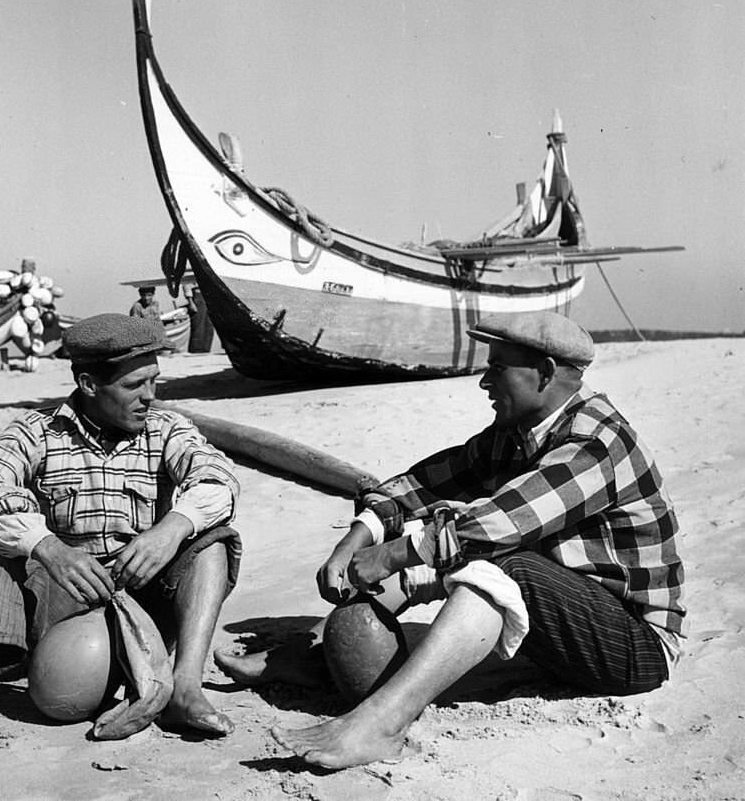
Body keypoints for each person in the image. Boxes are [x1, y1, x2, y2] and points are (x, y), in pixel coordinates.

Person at [216, 310, 685, 770]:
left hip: (633, 646)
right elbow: (421, 485)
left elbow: (498, 525)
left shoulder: (594, 442)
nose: (485, 382)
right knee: (447, 556)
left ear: (543, 373)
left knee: (499, 562)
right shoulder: (518, 434)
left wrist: (395, 553)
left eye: (498, 367)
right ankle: (309, 655)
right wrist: (358, 539)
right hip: (558, 627)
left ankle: (382, 725)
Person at [0, 314, 242, 766]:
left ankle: (185, 688)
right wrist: (47, 547)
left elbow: (219, 480)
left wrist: (171, 529)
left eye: (154, 381)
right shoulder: (36, 432)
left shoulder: (168, 430)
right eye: (135, 386)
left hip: (142, 596)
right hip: (63, 598)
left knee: (214, 538)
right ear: (89, 384)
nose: (151, 396)